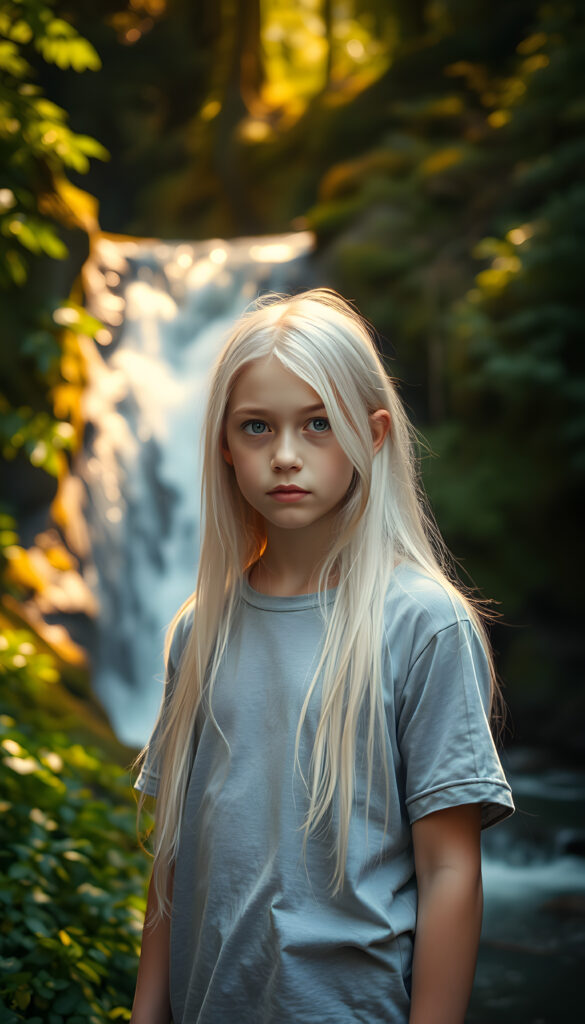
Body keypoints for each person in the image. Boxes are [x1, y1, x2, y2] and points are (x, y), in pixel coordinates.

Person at [130, 288, 514, 1024]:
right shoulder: (199, 630)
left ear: (370, 434)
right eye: (255, 427)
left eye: (316, 425)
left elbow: (449, 868)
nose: (283, 455)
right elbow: (174, 859)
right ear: (222, 444)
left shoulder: (423, 625)